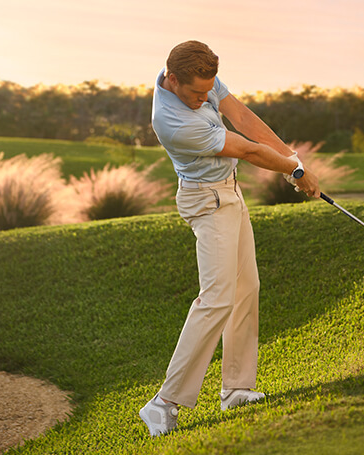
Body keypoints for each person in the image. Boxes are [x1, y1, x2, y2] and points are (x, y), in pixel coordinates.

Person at [138, 40, 321, 437]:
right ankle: (163, 404)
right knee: (217, 297)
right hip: (207, 202)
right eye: (197, 94)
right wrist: (294, 172)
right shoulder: (172, 122)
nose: (204, 98)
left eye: (208, 91)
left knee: (246, 288)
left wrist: (293, 158)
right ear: (173, 79)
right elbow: (246, 149)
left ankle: (236, 388)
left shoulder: (194, 76)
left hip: (229, 193)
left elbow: (242, 117)